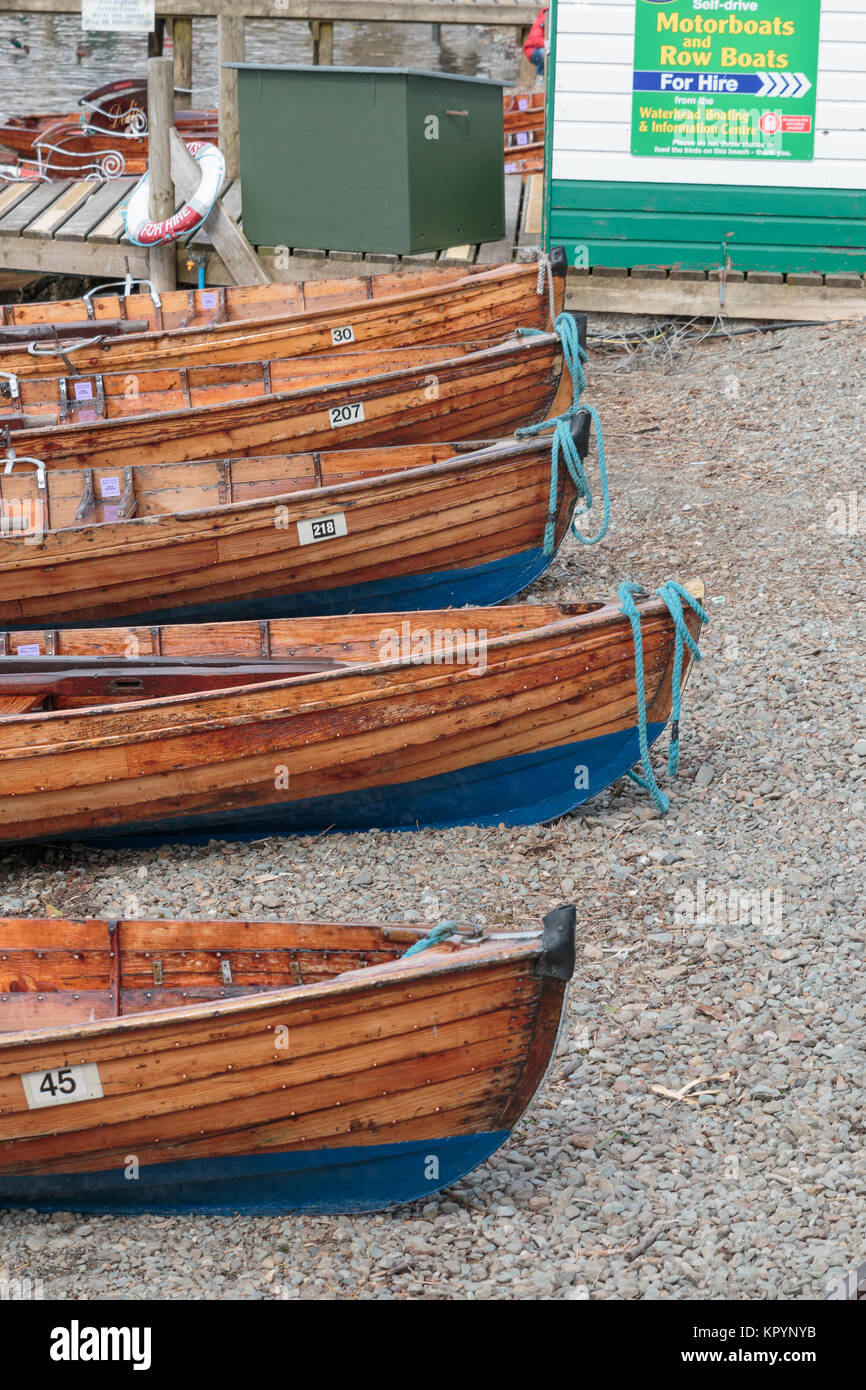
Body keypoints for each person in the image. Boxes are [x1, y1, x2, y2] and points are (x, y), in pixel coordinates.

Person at [523, 6, 548, 79]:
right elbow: (536, 41)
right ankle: (540, 76)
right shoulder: (541, 22)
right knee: (545, 53)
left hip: (543, 48)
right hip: (533, 51)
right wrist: (552, 45)